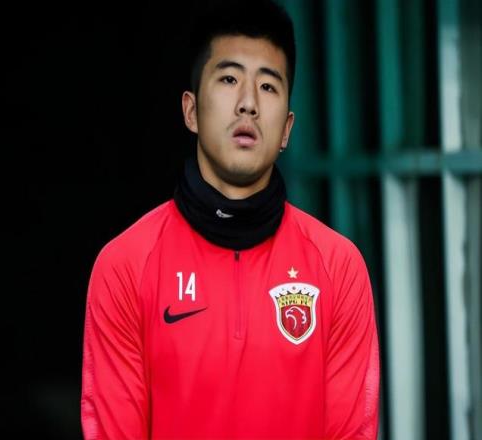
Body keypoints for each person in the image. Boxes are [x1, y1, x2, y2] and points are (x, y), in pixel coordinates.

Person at [80, 1, 380, 438]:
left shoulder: (338, 267)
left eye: (268, 86)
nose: (248, 104)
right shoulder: (125, 266)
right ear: (191, 111)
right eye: (228, 79)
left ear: (287, 129)